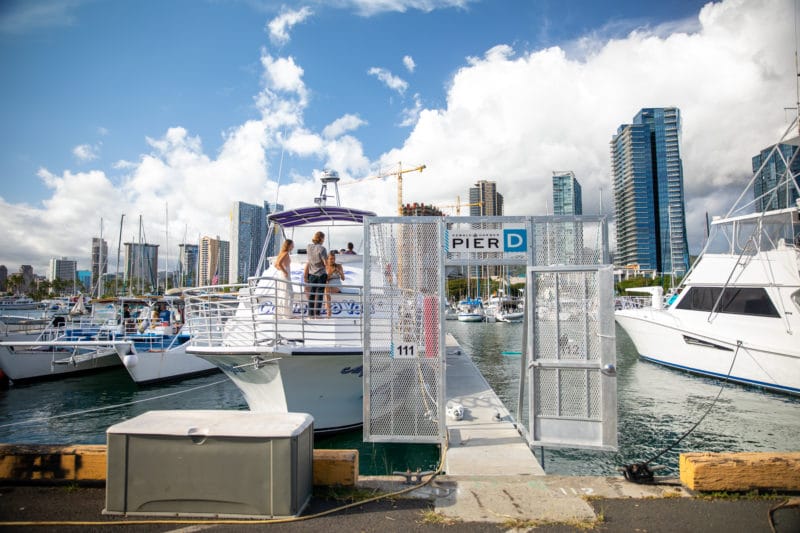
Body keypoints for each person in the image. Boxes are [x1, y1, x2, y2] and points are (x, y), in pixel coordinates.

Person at [304, 231, 328, 317]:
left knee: (312, 294)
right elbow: (325, 263)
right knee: (320, 294)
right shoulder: (322, 249)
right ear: (321, 238)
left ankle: (310, 314)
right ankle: (317, 314)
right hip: (321, 274)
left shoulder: (308, 247)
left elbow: (309, 260)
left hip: (311, 274)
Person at [275, 239, 295, 318]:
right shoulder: (286, 253)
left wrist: (282, 270)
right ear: (289, 245)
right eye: (292, 245)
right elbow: (279, 264)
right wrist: (285, 272)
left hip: (282, 274)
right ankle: (288, 315)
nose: (293, 246)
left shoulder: (281, 253)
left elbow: (276, 265)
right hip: (285, 275)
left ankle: (282, 313)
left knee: (283, 293)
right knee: (290, 294)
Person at [325, 251, 345, 317]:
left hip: (337, 286)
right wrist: (330, 273)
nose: (332, 260)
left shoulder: (338, 266)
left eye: (333, 258)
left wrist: (340, 272)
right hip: (328, 286)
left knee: (326, 290)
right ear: (327, 259)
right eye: (331, 259)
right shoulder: (325, 267)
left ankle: (328, 312)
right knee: (326, 288)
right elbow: (325, 279)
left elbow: (343, 278)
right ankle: (328, 311)